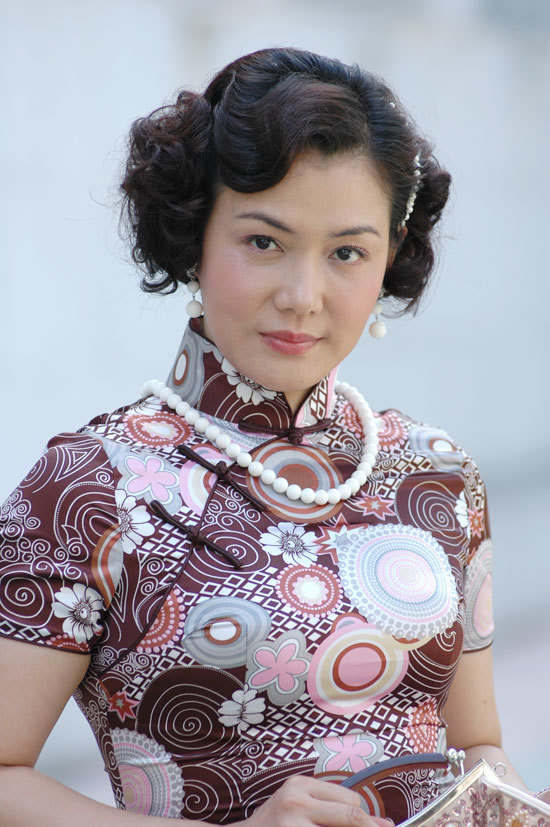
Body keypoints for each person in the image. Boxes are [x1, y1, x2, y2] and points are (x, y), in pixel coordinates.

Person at [0, 46, 535, 826]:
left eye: (347, 252)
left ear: (390, 255)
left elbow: (478, 749)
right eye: (264, 242)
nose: (302, 295)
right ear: (195, 232)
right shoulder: (92, 487)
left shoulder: (436, 475)